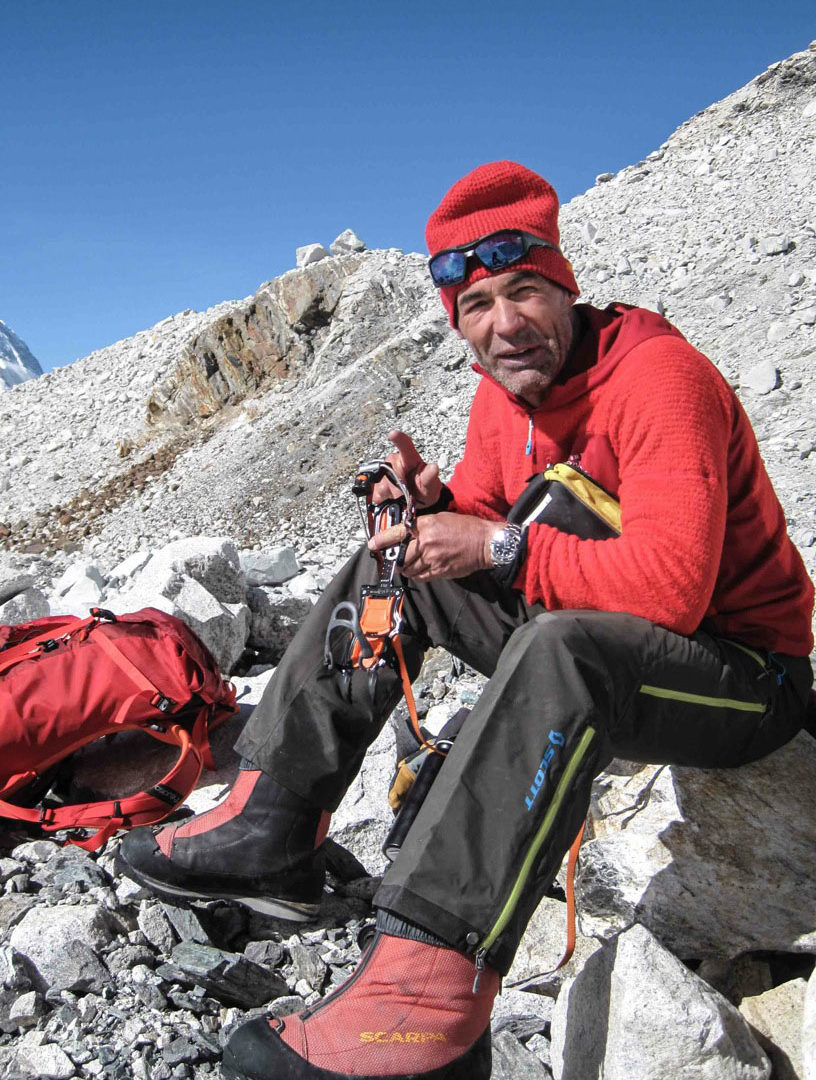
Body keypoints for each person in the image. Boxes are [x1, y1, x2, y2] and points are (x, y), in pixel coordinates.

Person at [118, 161, 815, 1080]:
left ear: (565, 286)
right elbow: (489, 511)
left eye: (525, 290)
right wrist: (434, 505)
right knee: (391, 562)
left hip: (744, 677)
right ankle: (271, 826)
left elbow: (671, 593)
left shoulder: (659, 379)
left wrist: (497, 548)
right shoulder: (509, 393)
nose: (504, 322)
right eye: (478, 303)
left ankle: (426, 999)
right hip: (618, 638)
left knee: (564, 651)